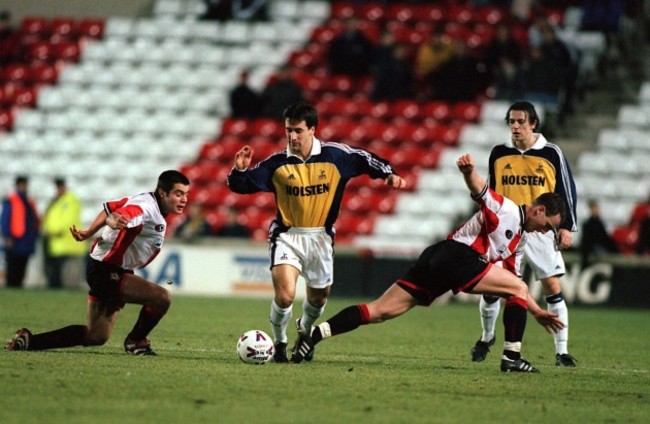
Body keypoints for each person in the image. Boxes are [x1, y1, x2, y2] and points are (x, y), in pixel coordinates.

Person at [292, 154, 566, 373]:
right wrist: (468, 172)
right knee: (518, 288)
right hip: (458, 257)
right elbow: (481, 190)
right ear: (539, 210)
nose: (546, 232)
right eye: (548, 226)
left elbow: (512, 285)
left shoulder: (519, 241)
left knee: (380, 311)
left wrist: (535, 310)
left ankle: (313, 335)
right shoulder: (506, 209)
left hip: (436, 257)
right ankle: (511, 357)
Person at [227, 102, 406, 363]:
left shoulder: (335, 157)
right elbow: (242, 186)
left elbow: (367, 160)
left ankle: (305, 330)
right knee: (285, 295)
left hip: (321, 237)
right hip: (287, 235)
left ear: (312, 129)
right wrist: (240, 170)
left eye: (298, 130)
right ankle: (279, 342)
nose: (292, 136)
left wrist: (388, 174)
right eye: (288, 130)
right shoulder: (278, 164)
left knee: (319, 298)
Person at [5, 170, 190, 355]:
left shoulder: (146, 200)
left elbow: (110, 208)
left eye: (186, 194)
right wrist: (112, 221)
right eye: (178, 194)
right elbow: (119, 214)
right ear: (162, 193)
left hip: (105, 268)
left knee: (96, 336)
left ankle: (29, 341)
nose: (183, 199)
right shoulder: (146, 207)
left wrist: (89, 231)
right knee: (161, 298)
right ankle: (136, 342)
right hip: (107, 270)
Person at [470, 100, 579, 367]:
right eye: (512, 121)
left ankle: (561, 351)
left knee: (552, 287)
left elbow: (567, 190)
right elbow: (493, 192)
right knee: (493, 289)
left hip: (541, 229)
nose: (515, 126)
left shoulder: (551, 153)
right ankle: (487, 337)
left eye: (521, 121)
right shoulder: (499, 153)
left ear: (534, 124)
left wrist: (567, 226)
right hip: (507, 229)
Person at [42, 177, 87, 289]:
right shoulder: (57, 201)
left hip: (65, 243)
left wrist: (52, 230)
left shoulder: (70, 201)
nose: (58, 189)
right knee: (54, 271)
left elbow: (67, 221)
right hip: (56, 243)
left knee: (59, 272)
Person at [1, 175, 40, 288]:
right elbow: (5, 219)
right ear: (18, 185)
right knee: (13, 265)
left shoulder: (29, 201)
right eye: (22, 184)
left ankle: (18, 286)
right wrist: (7, 236)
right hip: (15, 238)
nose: (24, 187)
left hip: (26, 239)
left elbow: (33, 219)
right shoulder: (11, 200)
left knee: (22, 264)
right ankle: (11, 286)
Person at [580, 199, 618, 268]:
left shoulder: (599, 222)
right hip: (594, 249)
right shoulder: (589, 224)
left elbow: (605, 237)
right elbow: (587, 240)